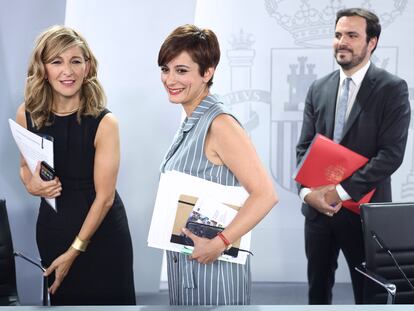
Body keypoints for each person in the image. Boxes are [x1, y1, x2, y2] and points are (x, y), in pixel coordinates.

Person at [296, 8, 410, 304]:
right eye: (337, 35)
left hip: (365, 215)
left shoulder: (392, 89)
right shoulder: (318, 88)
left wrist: (340, 192)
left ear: (372, 42)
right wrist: (308, 193)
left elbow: (391, 155)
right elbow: (304, 148)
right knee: (316, 295)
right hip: (318, 213)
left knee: (368, 297)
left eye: (351, 35)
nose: (341, 42)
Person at [158, 24, 278, 305]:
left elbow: (265, 195)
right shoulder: (192, 118)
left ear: (207, 72)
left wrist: (219, 243)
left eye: (182, 70)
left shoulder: (220, 124)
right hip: (188, 264)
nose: (170, 79)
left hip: (214, 269)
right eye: (165, 69)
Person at [16, 25, 135, 305]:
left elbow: (105, 198)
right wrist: (31, 184)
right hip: (53, 231)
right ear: (43, 68)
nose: (67, 71)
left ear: (88, 67)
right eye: (56, 61)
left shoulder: (105, 123)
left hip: (103, 238)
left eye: (75, 61)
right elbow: (24, 166)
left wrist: (74, 251)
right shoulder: (27, 114)